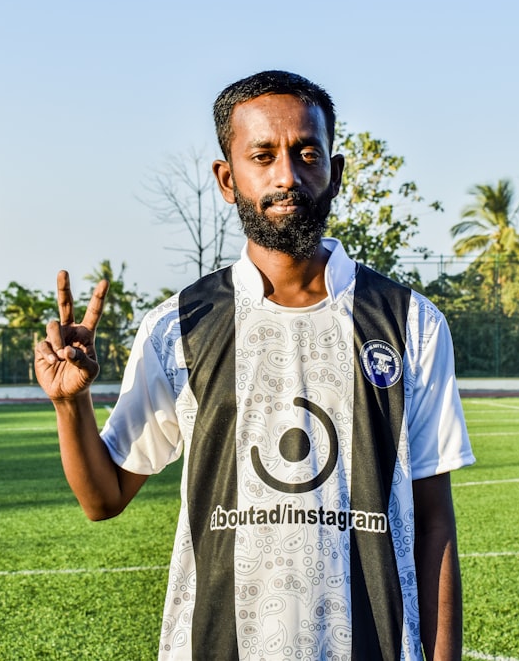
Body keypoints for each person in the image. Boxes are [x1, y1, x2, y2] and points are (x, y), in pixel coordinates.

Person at [35, 70, 475, 661]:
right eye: (262, 156)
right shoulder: (180, 325)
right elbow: (103, 498)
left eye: (306, 153)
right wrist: (71, 404)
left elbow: (434, 522)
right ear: (226, 178)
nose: (287, 176)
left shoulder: (410, 322)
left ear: (335, 174)